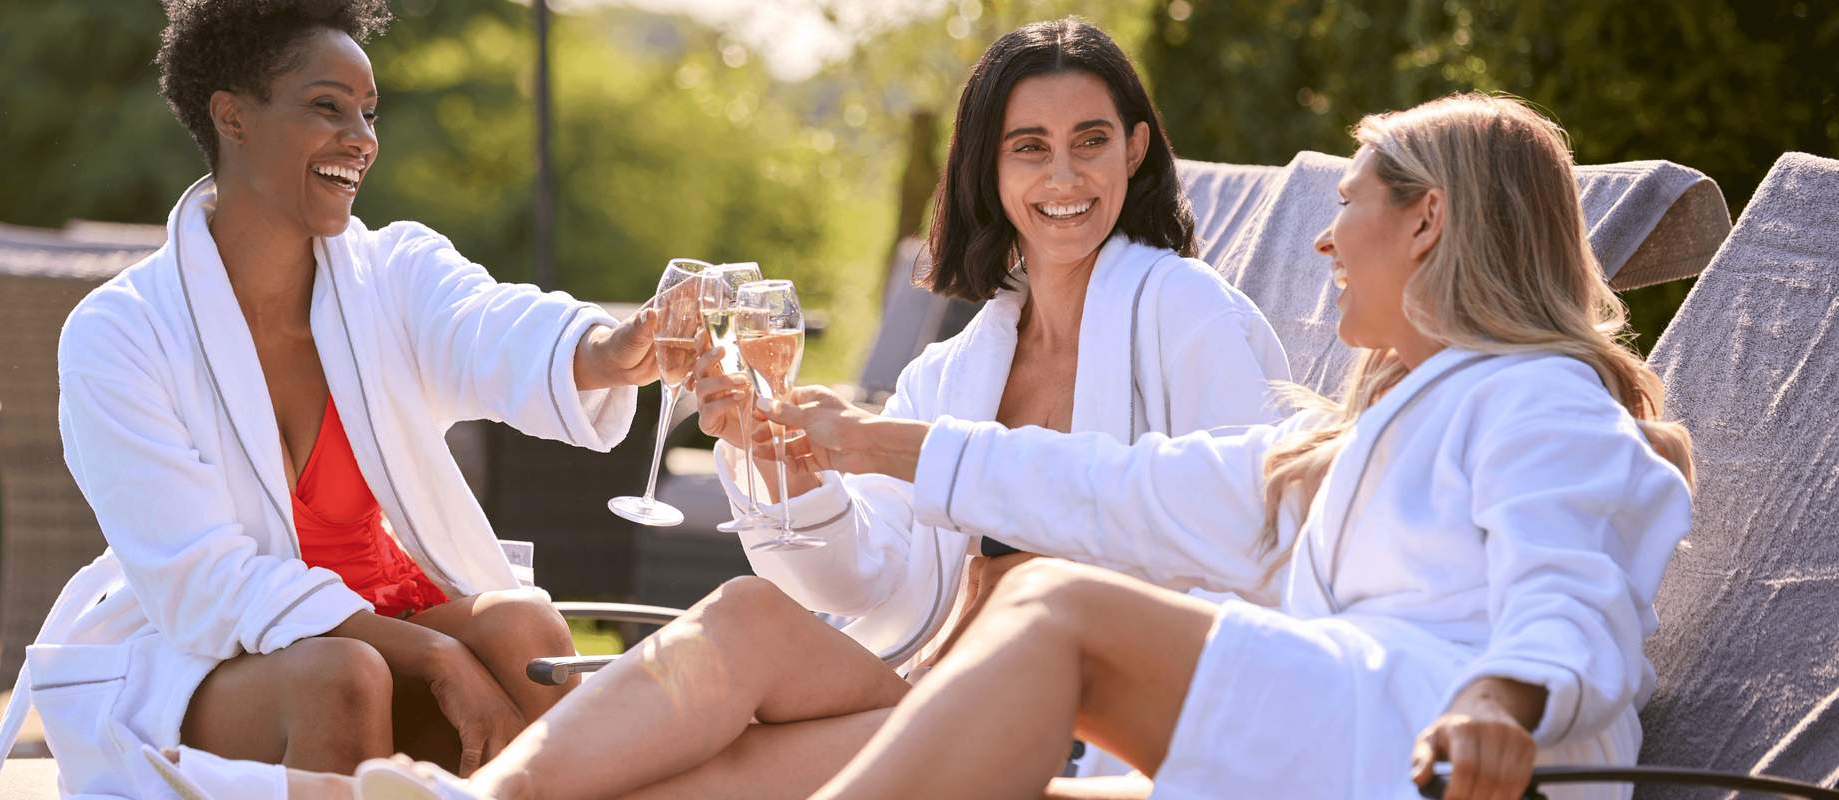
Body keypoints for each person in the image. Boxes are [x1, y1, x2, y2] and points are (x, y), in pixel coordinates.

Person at [259, 16, 1290, 800]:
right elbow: (867, 581)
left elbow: (1248, 529)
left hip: (1076, 720)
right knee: (749, 619)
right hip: (931, 677)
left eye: (1090, 141)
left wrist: (879, 442)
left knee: (710, 776)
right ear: (989, 166)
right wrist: (785, 460)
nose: (1063, 175)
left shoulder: (1190, 317)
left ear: (1138, 151)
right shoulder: (963, 365)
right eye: (1030, 146)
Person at [761, 93, 1696, 800]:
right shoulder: (1359, 439)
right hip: (1355, 736)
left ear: (1427, 219)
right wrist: (875, 441)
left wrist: (1502, 699)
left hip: (1442, 748)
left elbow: (1573, 592)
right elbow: (1120, 487)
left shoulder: (1542, 397)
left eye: (1348, 204)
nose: (1325, 242)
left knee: (1055, 600)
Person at [0, 2, 660, 798]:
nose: (361, 138)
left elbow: (489, 322)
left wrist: (610, 351)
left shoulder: (390, 274)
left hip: (389, 614)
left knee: (525, 632)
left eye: (368, 113)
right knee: (345, 676)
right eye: (326, 107)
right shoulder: (120, 333)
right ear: (232, 117)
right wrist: (433, 655)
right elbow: (206, 588)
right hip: (211, 658)